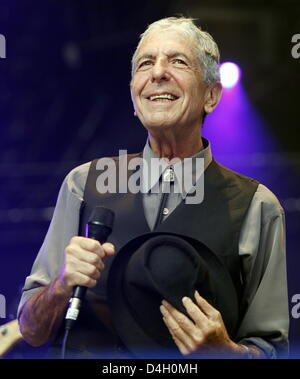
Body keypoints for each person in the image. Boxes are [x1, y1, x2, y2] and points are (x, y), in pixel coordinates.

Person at [17, 17, 289, 359]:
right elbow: (30, 330)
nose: (158, 73)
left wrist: (224, 352)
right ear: (135, 96)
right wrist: (60, 286)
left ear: (211, 95)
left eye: (178, 61)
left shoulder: (257, 206)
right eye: (146, 63)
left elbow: (273, 350)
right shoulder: (82, 184)